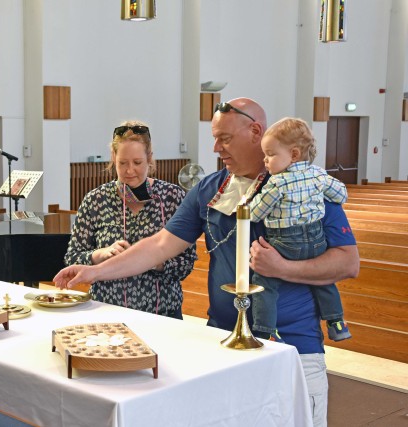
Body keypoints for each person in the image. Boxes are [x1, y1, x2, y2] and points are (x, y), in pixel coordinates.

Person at [54, 98, 359, 427]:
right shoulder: (212, 188)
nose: (216, 147)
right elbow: (158, 245)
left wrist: (284, 269)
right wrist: (95, 270)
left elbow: (347, 262)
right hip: (220, 344)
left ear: (255, 131)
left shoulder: (303, 186)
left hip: (291, 345)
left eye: (224, 138)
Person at [64, 120, 197, 319]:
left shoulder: (172, 197)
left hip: (163, 313)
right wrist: (100, 254)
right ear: (113, 158)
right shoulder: (95, 200)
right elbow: (72, 258)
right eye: (122, 163)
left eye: (137, 163)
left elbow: (186, 264)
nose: (129, 171)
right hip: (107, 311)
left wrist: (150, 260)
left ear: (150, 158)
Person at [249, 117, 351, 342]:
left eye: (270, 155)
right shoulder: (318, 175)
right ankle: (337, 322)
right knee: (323, 281)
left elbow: (255, 213)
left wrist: (246, 204)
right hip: (316, 240)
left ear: (293, 154)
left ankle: (265, 330)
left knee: (264, 282)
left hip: (285, 242)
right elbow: (342, 194)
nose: (265, 161)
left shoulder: (277, 183)